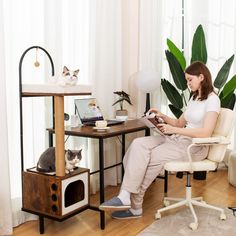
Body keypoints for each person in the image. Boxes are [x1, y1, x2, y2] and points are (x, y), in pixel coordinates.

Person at [99, 61, 220, 219]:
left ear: (201, 77)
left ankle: (135, 207)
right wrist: (162, 116)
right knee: (138, 145)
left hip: (194, 146)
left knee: (152, 157)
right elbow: (179, 123)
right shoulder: (194, 98)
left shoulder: (213, 100)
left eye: (190, 80)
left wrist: (174, 130)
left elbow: (206, 132)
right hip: (177, 138)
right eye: (186, 80)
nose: (187, 83)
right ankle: (125, 195)